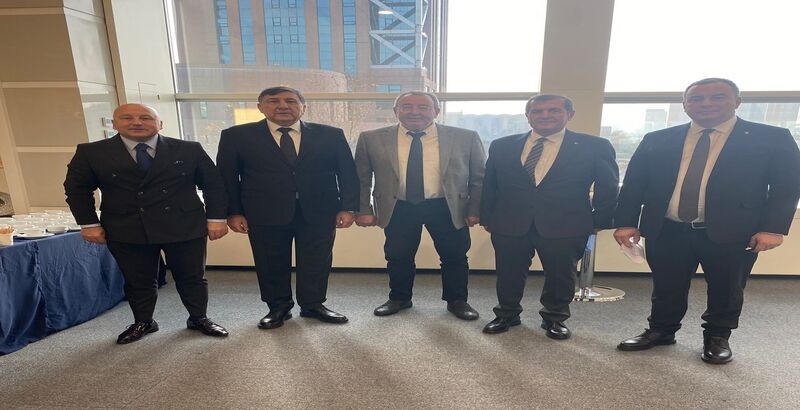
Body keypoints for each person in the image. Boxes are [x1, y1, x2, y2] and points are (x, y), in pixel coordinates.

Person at [614, 78, 800, 364]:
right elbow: (635, 184)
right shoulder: (658, 139)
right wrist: (626, 222)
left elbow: (787, 186)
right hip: (668, 228)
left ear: (737, 101)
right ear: (685, 105)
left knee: (727, 287)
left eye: (717, 97)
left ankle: (717, 336)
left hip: (735, 231)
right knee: (666, 285)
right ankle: (661, 330)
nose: (706, 103)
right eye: (697, 98)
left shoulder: (771, 138)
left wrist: (773, 228)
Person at [64, 103, 230, 344]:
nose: (137, 122)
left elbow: (213, 184)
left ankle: (198, 318)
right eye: (127, 117)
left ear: (160, 124)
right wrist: (89, 223)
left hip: (183, 224)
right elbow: (77, 190)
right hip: (126, 226)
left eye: (145, 117)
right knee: (138, 280)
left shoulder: (188, 149)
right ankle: (143, 321)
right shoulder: (92, 152)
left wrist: (216, 219)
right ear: (114, 123)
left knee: (192, 277)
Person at [216, 86, 359, 330]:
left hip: (319, 210)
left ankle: (313, 304)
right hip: (263, 212)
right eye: (273, 101)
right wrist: (233, 212)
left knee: (317, 260)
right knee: (270, 262)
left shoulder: (330, 135)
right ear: (260, 107)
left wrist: (349, 207)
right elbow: (227, 178)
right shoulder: (236, 136)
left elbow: (347, 173)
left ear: (303, 107)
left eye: (291, 101)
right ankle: (278, 307)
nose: (283, 106)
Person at [480, 95, 618, 339]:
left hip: (567, 222)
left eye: (553, 110)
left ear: (569, 114)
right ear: (528, 116)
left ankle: (555, 317)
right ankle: (507, 313)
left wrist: (599, 221)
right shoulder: (502, 145)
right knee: (508, 271)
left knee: (560, 274)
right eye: (537, 111)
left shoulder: (594, 146)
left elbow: (608, 186)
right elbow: (490, 184)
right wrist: (487, 217)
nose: (545, 115)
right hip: (510, 221)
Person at [354, 91, 486, 320]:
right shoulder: (371, 138)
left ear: (436, 111)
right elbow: (362, 178)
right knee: (397, 255)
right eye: (406, 106)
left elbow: (479, 177)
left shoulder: (465, 137)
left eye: (423, 107)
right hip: (399, 206)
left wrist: (475, 210)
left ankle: (457, 301)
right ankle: (399, 298)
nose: (414, 112)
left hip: (447, 206)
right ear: (396, 111)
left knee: (454, 255)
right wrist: (364, 210)